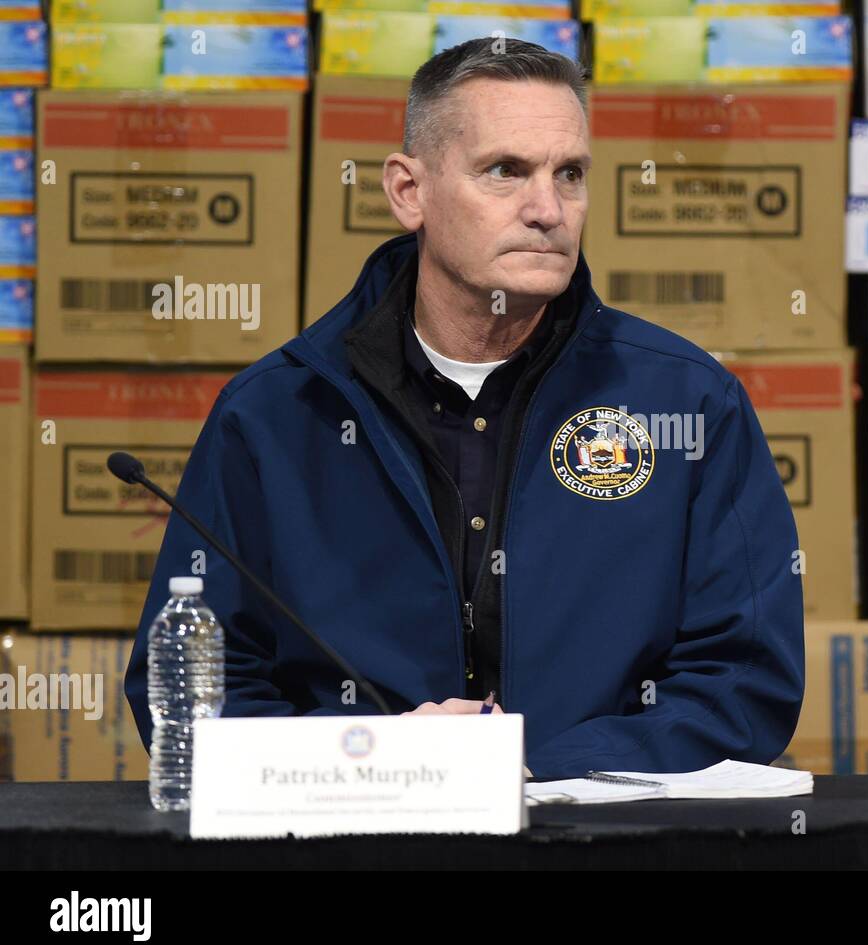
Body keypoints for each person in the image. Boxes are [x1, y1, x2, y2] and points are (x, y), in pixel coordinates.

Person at [124, 38, 804, 777]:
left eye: (569, 174)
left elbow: (745, 683)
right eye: (505, 171)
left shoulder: (690, 403)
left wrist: (527, 768)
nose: (547, 209)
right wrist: (384, 764)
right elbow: (196, 700)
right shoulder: (276, 415)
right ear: (408, 192)